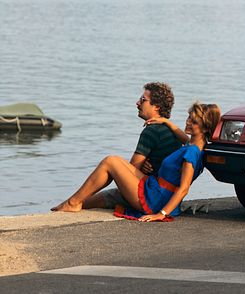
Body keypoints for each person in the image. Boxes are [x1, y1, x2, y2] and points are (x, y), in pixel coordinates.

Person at [51, 102, 221, 222]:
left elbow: (184, 188)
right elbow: (183, 136)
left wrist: (161, 214)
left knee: (111, 161)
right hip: (154, 188)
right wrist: (165, 121)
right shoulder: (197, 145)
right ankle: (72, 203)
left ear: (205, 128)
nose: (187, 122)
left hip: (155, 199)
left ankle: (71, 203)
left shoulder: (191, 152)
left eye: (193, 121)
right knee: (89, 200)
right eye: (188, 117)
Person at [91, 82, 182, 210]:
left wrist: (140, 168)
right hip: (168, 197)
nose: (137, 103)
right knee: (106, 195)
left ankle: (71, 203)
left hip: (151, 197)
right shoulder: (169, 130)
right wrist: (143, 167)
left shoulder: (152, 130)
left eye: (143, 100)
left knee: (110, 165)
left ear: (156, 106)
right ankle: (71, 203)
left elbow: (131, 171)